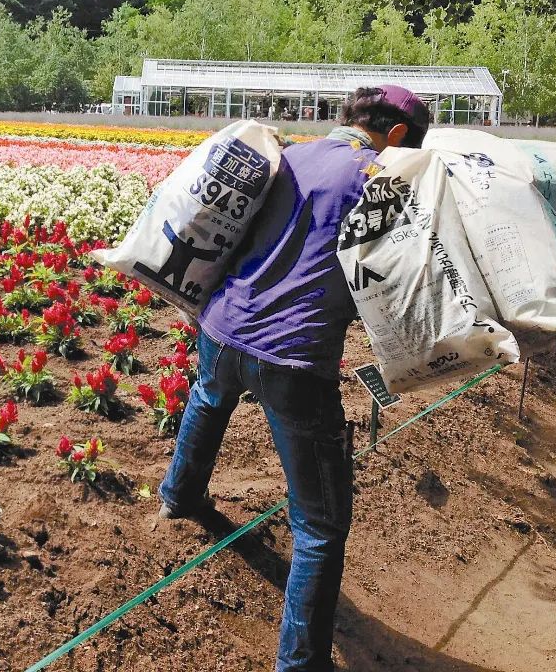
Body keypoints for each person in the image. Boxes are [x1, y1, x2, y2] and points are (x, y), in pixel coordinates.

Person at [157, 85, 431, 672]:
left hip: (223, 324)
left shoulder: (289, 155)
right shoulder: (380, 179)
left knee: (207, 399)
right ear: (400, 135)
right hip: (294, 355)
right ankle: (301, 662)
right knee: (320, 523)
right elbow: (390, 278)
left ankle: (177, 499)